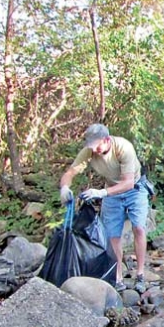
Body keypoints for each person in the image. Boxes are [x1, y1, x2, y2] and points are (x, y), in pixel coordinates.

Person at [59, 124, 150, 293]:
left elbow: (128, 183)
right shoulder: (89, 152)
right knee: (111, 236)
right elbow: (69, 173)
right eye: (91, 147)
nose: (94, 150)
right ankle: (118, 277)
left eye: (97, 146)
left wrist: (101, 192)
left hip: (135, 189)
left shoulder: (123, 148)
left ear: (107, 140)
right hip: (110, 193)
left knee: (138, 228)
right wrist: (64, 188)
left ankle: (140, 274)